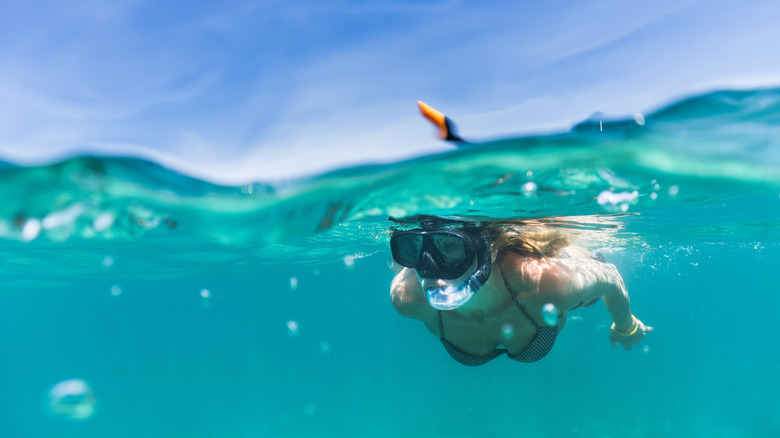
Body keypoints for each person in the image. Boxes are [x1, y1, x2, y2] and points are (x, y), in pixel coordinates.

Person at [389, 215, 652, 366]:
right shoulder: (407, 297)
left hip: (551, 269)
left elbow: (612, 277)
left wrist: (625, 326)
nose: (429, 268)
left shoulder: (547, 283)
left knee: (586, 292)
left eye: (451, 247)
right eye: (411, 249)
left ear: (489, 250)